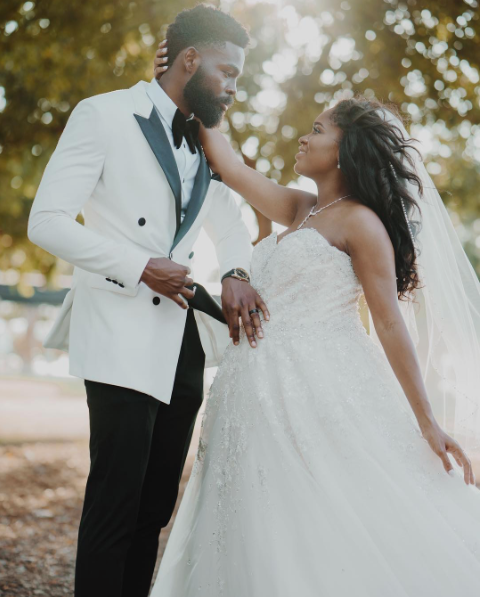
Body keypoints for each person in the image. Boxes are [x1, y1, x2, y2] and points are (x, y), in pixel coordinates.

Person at [152, 46, 479, 596]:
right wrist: (180, 79)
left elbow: (391, 324)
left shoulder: (362, 224)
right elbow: (226, 164)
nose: (303, 138)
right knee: (251, 524)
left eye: (318, 130)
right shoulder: (302, 208)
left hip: (317, 390)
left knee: (318, 521)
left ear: (346, 149)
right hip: (249, 392)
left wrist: (426, 420)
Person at [27, 6, 270, 597]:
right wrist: (138, 265)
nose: (236, 89)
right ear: (190, 59)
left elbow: (231, 224)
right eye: (228, 72)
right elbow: (46, 222)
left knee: (155, 507)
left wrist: (237, 269)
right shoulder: (104, 114)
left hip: (181, 344)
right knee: (115, 505)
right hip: (119, 331)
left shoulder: (205, 141)